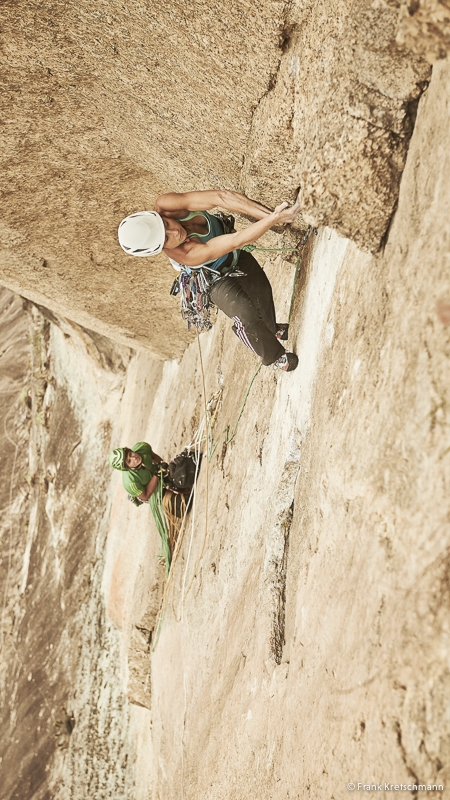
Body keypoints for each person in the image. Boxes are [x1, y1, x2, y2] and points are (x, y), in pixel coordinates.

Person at [118, 190, 302, 371]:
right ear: (160, 248)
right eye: (166, 238)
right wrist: (273, 219)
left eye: (165, 223)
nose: (175, 231)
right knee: (245, 314)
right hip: (212, 278)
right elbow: (236, 240)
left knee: (261, 290)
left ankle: (270, 329)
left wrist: (272, 215)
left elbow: (220, 197)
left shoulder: (167, 205)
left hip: (233, 256)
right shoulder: (186, 254)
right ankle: (274, 356)